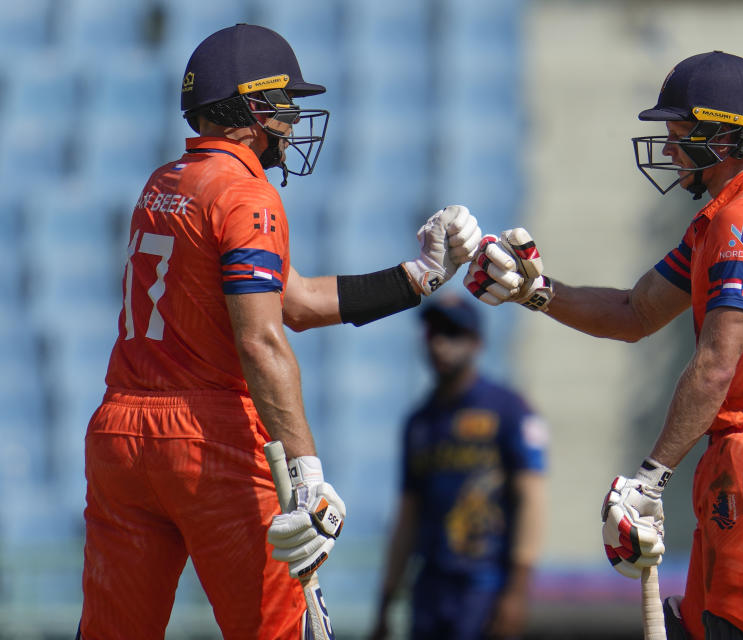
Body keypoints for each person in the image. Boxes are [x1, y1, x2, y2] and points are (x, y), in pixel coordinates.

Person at [77, 24, 481, 639]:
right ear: (248, 108)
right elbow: (262, 339)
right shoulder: (248, 197)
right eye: (283, 104)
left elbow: (292, 300)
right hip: (208, 442)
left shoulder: (164, 182)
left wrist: (418, 275)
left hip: (120, 433)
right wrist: (306, 470)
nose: (292, 122)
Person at [464, 51, 743, 640]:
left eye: (679, 133)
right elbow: (634, 313)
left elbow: (716, 365)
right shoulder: (724, 219)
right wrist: (536, 291)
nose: (667, 149)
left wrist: (649, 477)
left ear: (721, 134)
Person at [370, 295, 548, 640]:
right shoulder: (419, 422)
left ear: (476, 342)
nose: (439, 343)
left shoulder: (508, 410)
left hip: (486, 585)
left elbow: (532, 499)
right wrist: (386, 602)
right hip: (430, 588)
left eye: (452, 332)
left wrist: (517, 590)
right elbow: (407, 515)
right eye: (433, 331)